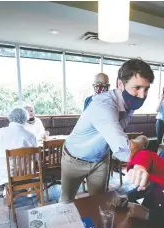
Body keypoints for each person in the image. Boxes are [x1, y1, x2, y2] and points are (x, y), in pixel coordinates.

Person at [60, 59, 154, 203]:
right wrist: (143, 140)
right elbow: (125, 151)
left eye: (146, 89)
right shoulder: (104, 105)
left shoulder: (129, 102)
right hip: (74, 159)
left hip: (100, 159)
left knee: (99, 202)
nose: (142, 95)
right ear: (120, 84)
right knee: (66, 203)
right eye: (137, 88)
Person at [0, 108, 37, 197]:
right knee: (29, 164)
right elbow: (35, 158)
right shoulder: (30, 135)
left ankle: (8, 187)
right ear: (25, 118)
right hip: (26, 173)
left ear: (10, 117)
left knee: (1, 165)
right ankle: (28, 187)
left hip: (4, 173)